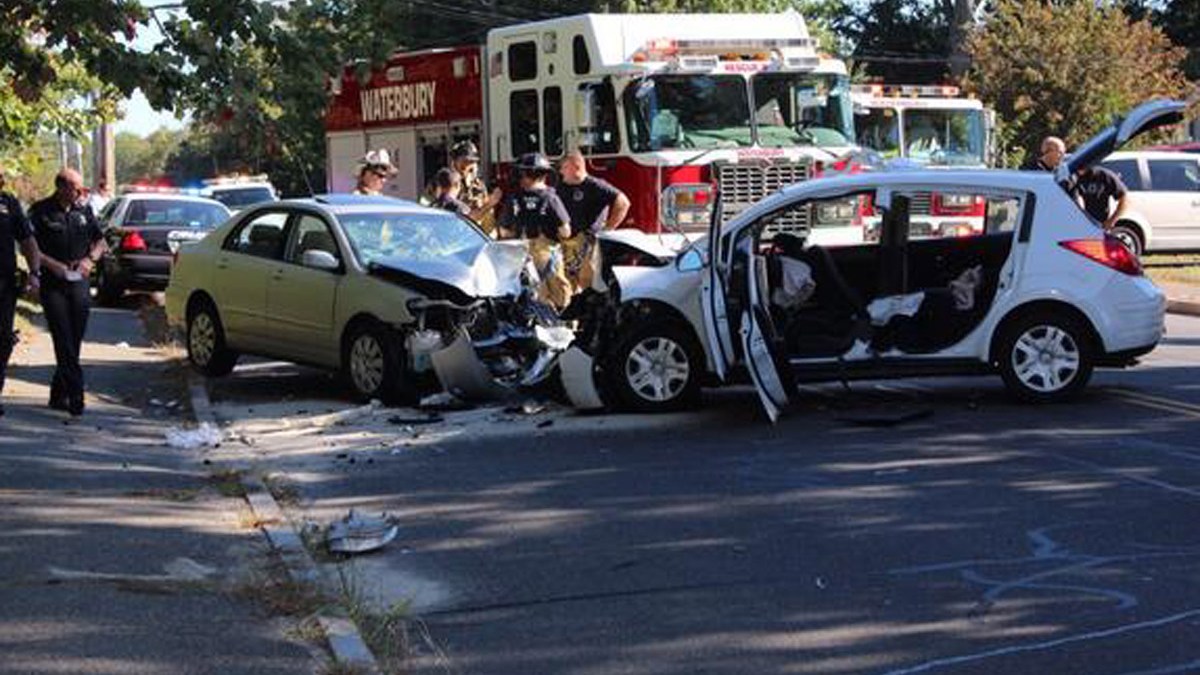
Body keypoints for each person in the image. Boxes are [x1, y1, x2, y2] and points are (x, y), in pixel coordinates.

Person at [28, 168, 107, 416]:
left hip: (79, 280)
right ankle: (76, 394)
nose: (81, 192)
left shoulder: (84, 210)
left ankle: (57, 392)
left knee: (74, 338)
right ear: (61, 187)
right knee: (62, 337)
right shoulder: (40, 211)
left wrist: (89, 261)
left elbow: (100, 241)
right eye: (76, 188)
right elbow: (30, 248)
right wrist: (54, 266)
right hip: (54, 283)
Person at [498, 153, 573, 310]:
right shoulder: (551, 198)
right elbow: (566, 231)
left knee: (531, 295)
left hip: (520, 255)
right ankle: (566, 327)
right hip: (547, 254)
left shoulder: (514, 198)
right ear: (545, 175)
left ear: (524, 174)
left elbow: (504, 231)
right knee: (561, 293)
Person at [556, 150, 630, 292]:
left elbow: (623, 202)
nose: (561, 171)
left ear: (576, 167)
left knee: (586, 281)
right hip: (566, 243)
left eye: (564, 167)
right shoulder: (560, 187)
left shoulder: (595, 186)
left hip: (588, 242)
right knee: (565, 281)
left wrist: (608, 229)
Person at [0, 164, 42, 417]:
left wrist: (35, 273)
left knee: (3, 338)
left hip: (4, 284)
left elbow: (27, 241)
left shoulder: (9, 204)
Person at [449, 141, 502, 235]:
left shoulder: (479, 186)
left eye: (473, 162)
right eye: (465, 161)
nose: (469, 165)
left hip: (474, 238)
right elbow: (465, 219)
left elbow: (487, 219)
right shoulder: (445, 183)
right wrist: (490, 203)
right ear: (455, 162)